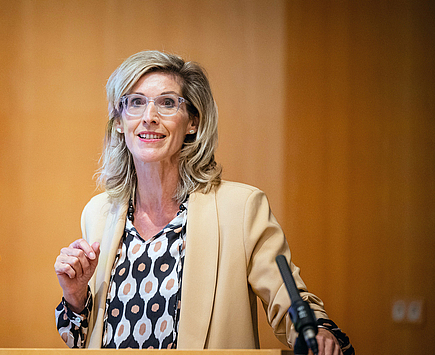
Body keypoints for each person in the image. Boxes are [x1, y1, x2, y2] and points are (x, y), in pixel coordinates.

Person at [54, 50, 353, 355]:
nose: (149, 117)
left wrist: (319, 330)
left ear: (193, 122)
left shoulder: (240, 209)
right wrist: (75, 297)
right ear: (119, 121)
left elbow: (288, 300)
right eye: (136, 102)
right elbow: (81, 340)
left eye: (167, 103)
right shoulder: (99, 212)